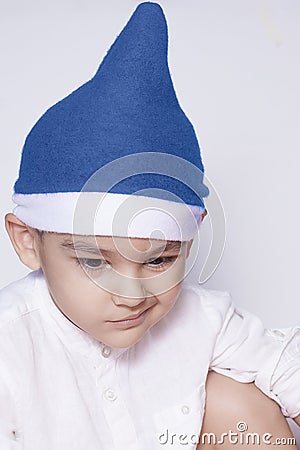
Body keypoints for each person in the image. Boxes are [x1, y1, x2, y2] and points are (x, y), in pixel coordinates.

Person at [0, 2, 299, 449]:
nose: (131, 294)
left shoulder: (201, 319)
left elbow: (284, 365)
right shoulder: (11, 346)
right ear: (28, 240)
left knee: (237, 404)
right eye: (94, 261)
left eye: (160, 259)